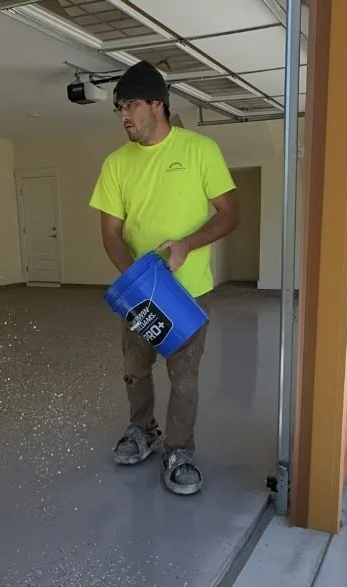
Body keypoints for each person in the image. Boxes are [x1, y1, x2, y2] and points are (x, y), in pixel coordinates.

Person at [88, 61, 240, 496]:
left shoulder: (199, 150)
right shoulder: (116, 164)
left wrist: (187, 244)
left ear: (158, 105)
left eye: (131, 104)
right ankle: (143, 431)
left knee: (184, 377)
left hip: (187, 293)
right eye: (119, 108)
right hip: (139, 292)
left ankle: (179, 449)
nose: (124, 115)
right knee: (135, 369)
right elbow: (111, 233)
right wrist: (136, 280)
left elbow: (231, 214)